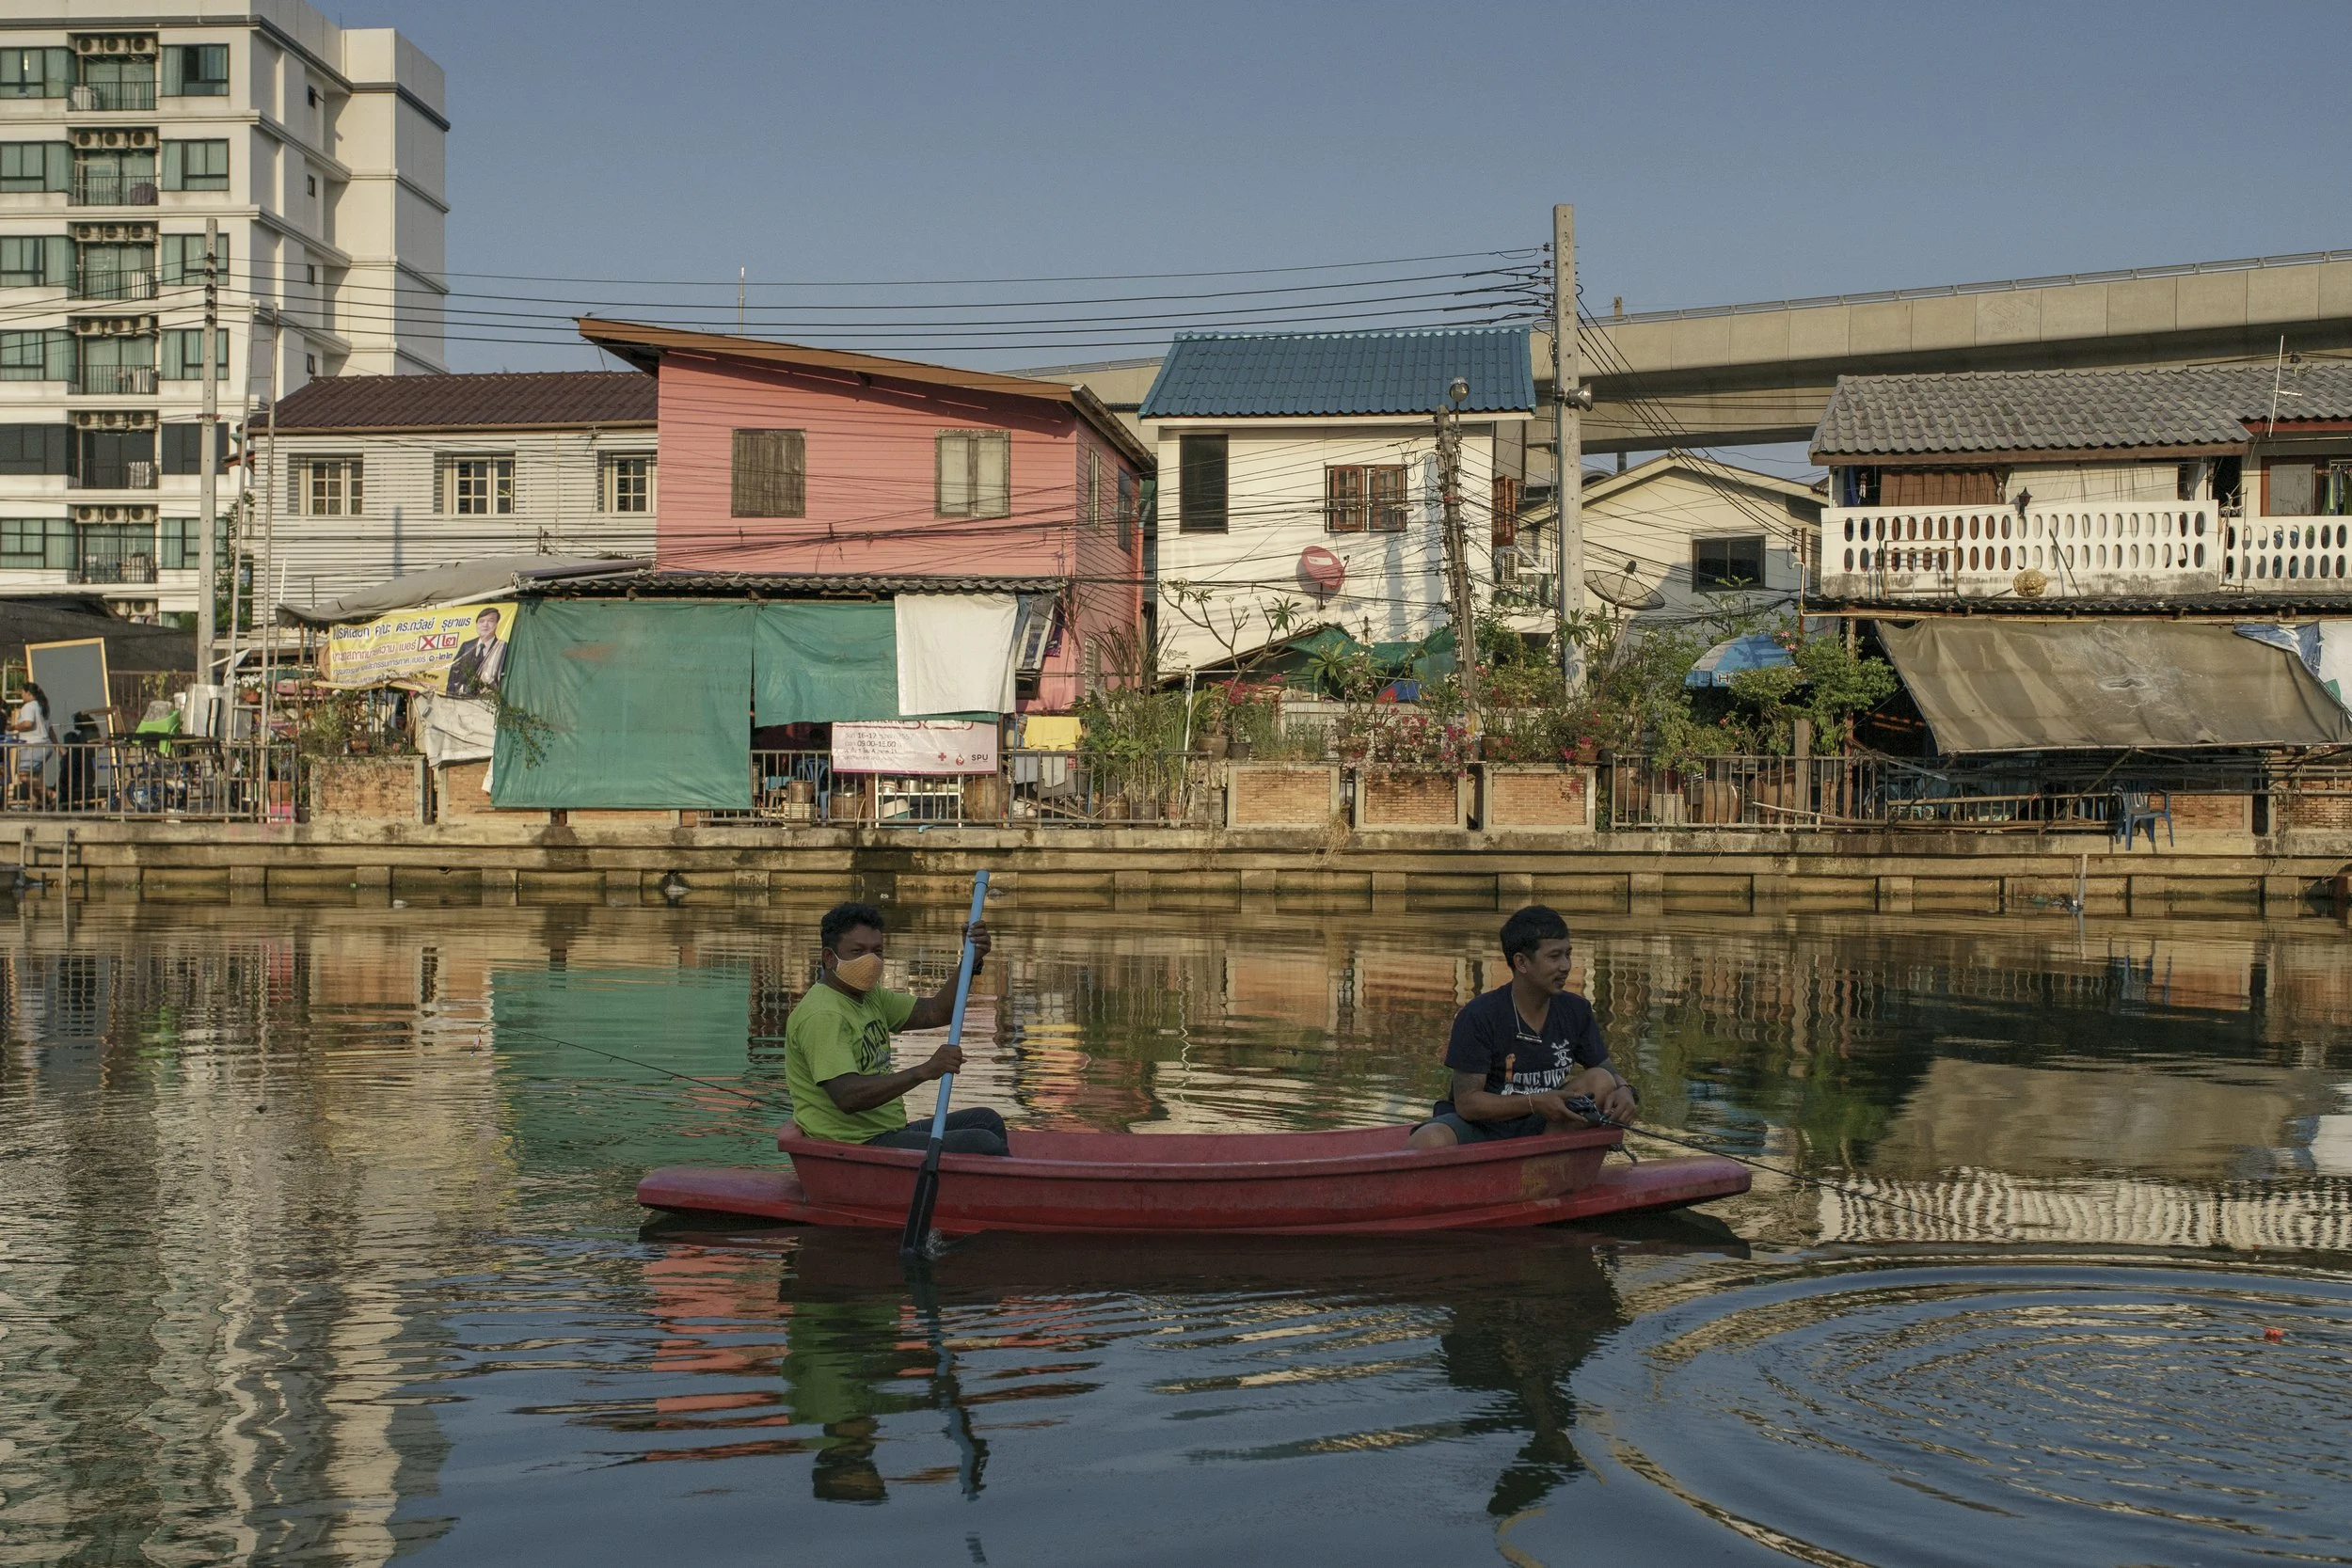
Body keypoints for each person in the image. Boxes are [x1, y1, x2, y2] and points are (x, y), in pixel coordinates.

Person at [784, 900, 1009, 1155]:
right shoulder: (824, 1014)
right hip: (854, 1144)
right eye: (858, 952)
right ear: (829, 957)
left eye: (877, 951)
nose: (870, 961)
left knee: (986, 1121)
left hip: (889, 1131)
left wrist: (972, 961)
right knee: (982, 1144)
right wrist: (924, 1070)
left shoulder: (869, 995)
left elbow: (937, 1011)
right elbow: (848, 1097)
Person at [1406, 905, 1640, 1148]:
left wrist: (1625, 1090)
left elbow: (1607, 1071)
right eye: (1554, 956)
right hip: (1484, 1127)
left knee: (1602, 1080)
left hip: (1546, 1125)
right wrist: (1534, 1102)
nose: (1566, 966)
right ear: (1521, 962)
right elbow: (1468, 1104)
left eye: (1568, 954)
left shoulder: (1576, 1010)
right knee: (1429, 1139)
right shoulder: (1478, 1015)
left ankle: (1542, 1167)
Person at [444, 608, 508, 697]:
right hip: (462, 701)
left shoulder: (502, 647)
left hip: (488, 703)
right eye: (481, 621)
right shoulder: (466, 646)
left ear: (497, 624)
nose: (485, 625)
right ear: (477, 624)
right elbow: (454, 675)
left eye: (490, 621)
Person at [9, 682, 53, 807]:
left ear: (28, 693)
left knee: (23, 776)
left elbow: (28, 723)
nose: (22, 695)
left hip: (34, 746)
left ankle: (50, 794)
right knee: (32, 778)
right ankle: (35, 804)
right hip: (45, 745)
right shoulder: (43, 707)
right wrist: (59, 748)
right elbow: (50, 730)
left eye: (22, 693)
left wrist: (13, 727)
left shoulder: (29, 707)